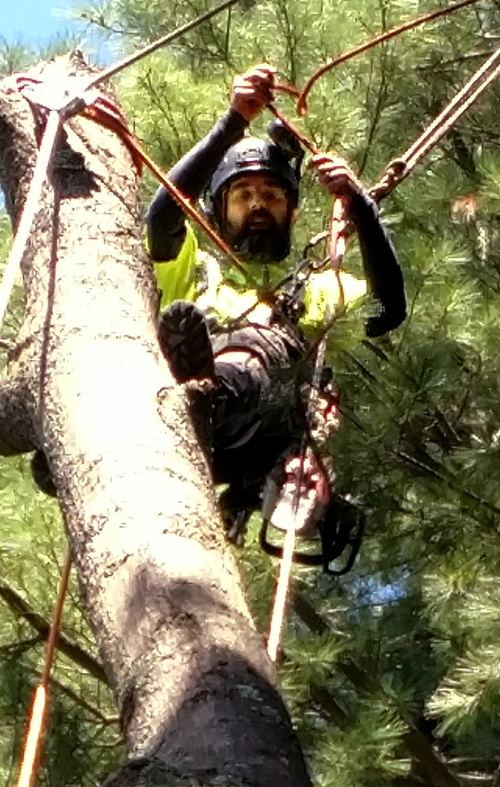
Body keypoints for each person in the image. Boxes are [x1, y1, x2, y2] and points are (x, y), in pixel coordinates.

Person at [144, 62, 406, 560]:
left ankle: (207, 390)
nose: (258, 204)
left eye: (271, 195)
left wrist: (360, 206)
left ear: (292, 211)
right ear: (218, 212)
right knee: (188, 321)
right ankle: (181, 393)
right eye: (243, 195)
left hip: (261, 425)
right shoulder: (197, 272)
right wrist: (231, 123)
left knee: (258, 350)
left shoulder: (319, 288)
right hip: (191, 417)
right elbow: (162, 217)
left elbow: (385, 308)